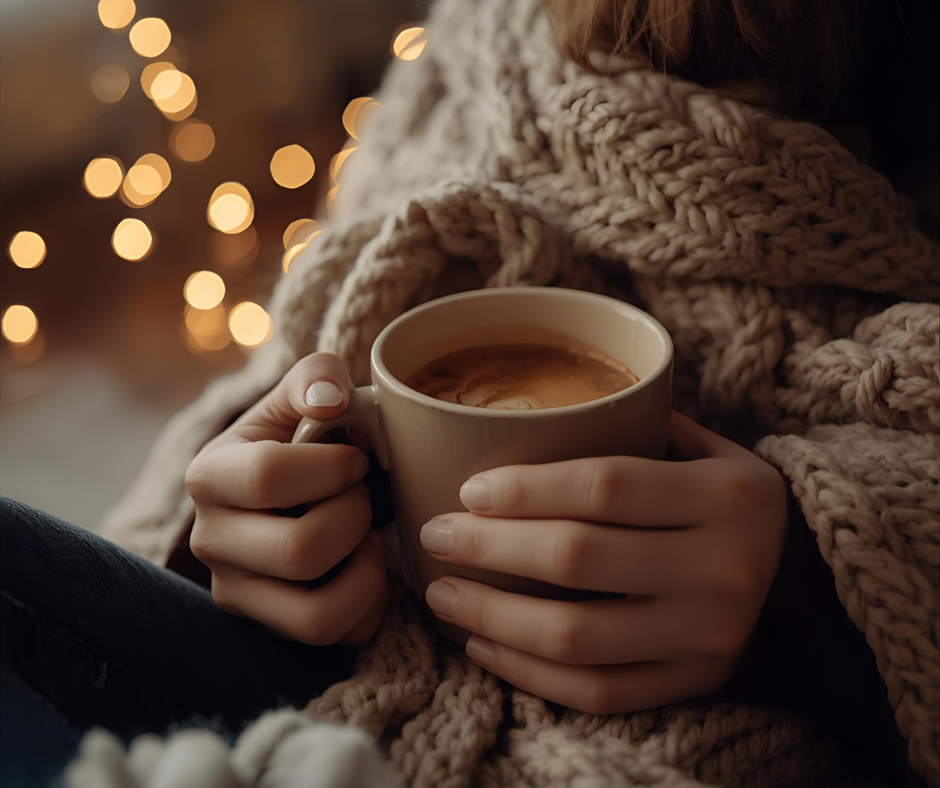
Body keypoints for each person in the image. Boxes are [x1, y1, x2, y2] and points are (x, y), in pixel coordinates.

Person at [2, 0, 937, 785]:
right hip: (329, 666)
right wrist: (245, 521)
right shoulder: (491, 22)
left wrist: (820, 594)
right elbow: (302, 350)